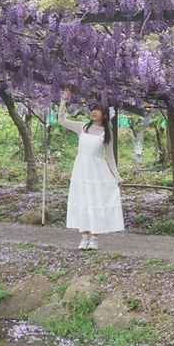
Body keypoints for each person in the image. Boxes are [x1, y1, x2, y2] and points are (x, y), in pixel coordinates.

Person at [58, 88, 124, 250]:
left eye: (98, 110)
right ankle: (84, 237)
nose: (94, 112)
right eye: (93, 110)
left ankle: (94, 237)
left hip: (97, 171)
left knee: (96, 201)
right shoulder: (82, 127)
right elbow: (62, 120)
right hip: (81, 169)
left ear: (105, 115)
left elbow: (110, 157)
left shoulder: (106, 134)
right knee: (82, 200)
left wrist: (117, 176)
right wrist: (63, 100)